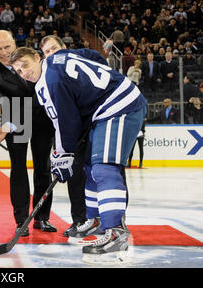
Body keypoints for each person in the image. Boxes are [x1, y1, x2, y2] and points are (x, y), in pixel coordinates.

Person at [10, 40, 147, 263]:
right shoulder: (57, 59)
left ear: (37, 57)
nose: (23, 73)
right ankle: (96, 222)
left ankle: (115, 233)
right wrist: (62, 154)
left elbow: (66, 121)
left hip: (120, 106)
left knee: (104, 168)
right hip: (105, 109)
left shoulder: (49, 82)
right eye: (17, 70)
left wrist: (62, 154)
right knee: (91, 168)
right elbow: (91, 56)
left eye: (25, 65)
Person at [0, 30, 56, 237]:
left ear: (15, 43)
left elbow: (40, 98)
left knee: (43, 168)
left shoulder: (31, 60)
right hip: (13, 128)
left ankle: (42, 218)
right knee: (18, 170)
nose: (4, 52)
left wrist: (11, 122)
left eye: (7, 46)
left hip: (41, 122)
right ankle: (22, 220)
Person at [40, 35, 110, 237]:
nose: (52, 54)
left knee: (106, 172)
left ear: (64, 47)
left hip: (98, 123)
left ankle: (113, 219)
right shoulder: (49, 75)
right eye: (47, 52)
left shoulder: (87, 56)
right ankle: (80, 220)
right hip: (72, 130)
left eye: (54, 48)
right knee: (76, 176)